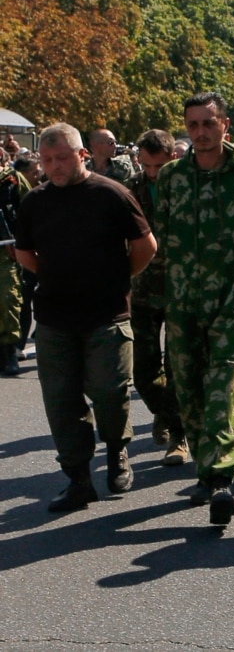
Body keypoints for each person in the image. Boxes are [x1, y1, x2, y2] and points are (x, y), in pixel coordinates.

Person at [13, 122, 156, 512]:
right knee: (61, 400)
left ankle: (116, 453)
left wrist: (118, 277)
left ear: (81, 155)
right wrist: (54, 276)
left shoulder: (111, 194)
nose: (55, 167)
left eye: (63, 158)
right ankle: (77, 478)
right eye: (47, 160)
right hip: (55, 318)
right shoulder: (35, 202)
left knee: (110, 391)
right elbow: (24, 253)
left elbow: (145, 245)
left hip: (106, 313)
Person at [158, 92, 234, 525]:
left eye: (209, 123)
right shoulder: (171, 177)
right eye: (193, 125)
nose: (201, 133)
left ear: (225, 125)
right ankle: (206, 470)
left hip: (230, 304)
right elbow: (162, 235)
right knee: (188, 388)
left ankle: (222, 477)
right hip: (183, 304)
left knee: (225, 386)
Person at [127, 129, 189, 466]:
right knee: (142, 371)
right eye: (147, 165)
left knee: (177, 366)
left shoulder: (186, 185)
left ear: (172, 158)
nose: (152, 172)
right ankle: (166, 412)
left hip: (181, 288)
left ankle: (179, 437)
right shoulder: (131, 188)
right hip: (143, 288)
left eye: (159, 166)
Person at [0, 160, 31, 375]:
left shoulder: (12, 179)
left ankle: (9, 350)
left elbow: (31, 208)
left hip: (6, 251)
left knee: (8, 298)